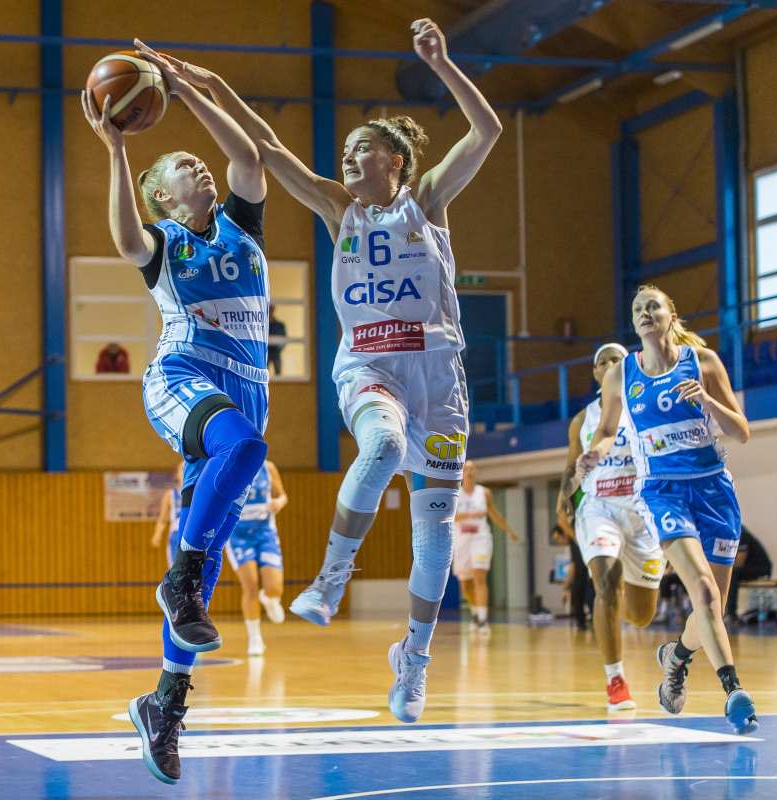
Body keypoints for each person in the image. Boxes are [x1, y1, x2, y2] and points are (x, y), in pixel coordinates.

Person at [136, 15, 501, 725]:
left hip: (438, 377)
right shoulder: (339, 209)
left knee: (432, 542)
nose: (349, 157)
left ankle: (414, 660)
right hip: (370, 366)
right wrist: (203, 84)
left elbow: (485, 130)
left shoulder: (427, 201)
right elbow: (265, 149)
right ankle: (332, 579)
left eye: (363, 148)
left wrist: (442, 63)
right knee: (382, 445)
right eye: (346, 150)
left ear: (396, 160)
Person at [82, 50, 270, 785]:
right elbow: (126, 238)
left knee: (212, 553)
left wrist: (190, 90)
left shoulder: (243, 227)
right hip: (182, 377)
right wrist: (116, 150)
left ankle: (165, 701)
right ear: (163, 196)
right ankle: (180, 574)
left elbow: (248, 157)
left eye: (200, 161)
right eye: (185, 167)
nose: (202, 166)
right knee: (243, 452)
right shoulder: (165, 242)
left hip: (245, 388)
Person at [578, 284, 758, 734]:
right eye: (637, 308)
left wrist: (707, 401)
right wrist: (594, 453)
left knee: (712, 608)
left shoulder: (704, 362)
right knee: (702, 591)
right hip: (662, 491)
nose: (644, 313)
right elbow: (606, 430)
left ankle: (675, 658)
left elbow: (741, 432)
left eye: (652, 306)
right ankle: (733, 690)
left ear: (670, 316)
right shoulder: (622, 375)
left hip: (715, 491)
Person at [558, 343, 665, 712]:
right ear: (595, 373)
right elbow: (572, 464)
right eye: (601, 361)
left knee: (641, 615)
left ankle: (614, 607)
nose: (607, 364)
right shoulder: (583, 419)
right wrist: (564, 494)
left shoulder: (645, 406)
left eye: (615, 359)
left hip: (642, 511)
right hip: (599, 507)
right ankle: (615, 679)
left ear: (627, 366)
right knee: (605, 580)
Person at [224, 459, 288, 655]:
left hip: (265, 533)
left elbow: (282, 495)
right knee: (250, 585)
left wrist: (279, 502)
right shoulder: (227, 466)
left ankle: (269, 599)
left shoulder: (268, 467)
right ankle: (255, 638)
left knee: (274, 588)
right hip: (237, 535)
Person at [453, 460, 520, 634]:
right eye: (466, 469)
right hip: (461, 540)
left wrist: (509, 531)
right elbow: (450, 517)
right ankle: (475, 612)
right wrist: (470, 514)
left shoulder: (484, 493)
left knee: (479, 577)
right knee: (465, 585)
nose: (469, 472)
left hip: (480, 539)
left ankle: (483, 620)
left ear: (476, 473)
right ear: (461, 473)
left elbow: (494, 514)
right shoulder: (455, 493)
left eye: (472, 469)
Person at [728, 526, 772, 621]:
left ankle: (731, 613)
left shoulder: (742, 534)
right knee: (728, 574)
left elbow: (739, 563)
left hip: (761, 568)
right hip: (749, 567)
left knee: (732, 574)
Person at [150, 463, 185, 567]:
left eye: (187, 469)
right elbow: (162, 519)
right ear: (177, 475)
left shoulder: (198, 493)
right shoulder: (170, 494)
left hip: (193, 533)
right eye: (182, 470)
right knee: (175, 569)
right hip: (176, 534)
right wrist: (158, 534)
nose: (185, 472)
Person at [267, 305, 287, 376]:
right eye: (268, 310)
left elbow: (283, 339)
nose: (270, 312)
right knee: (265, 374)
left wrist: (278, 349)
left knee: (278, 374)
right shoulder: (263, 325)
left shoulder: (279, 325)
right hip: (266, 353)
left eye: (271, 310)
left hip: (276, 352)